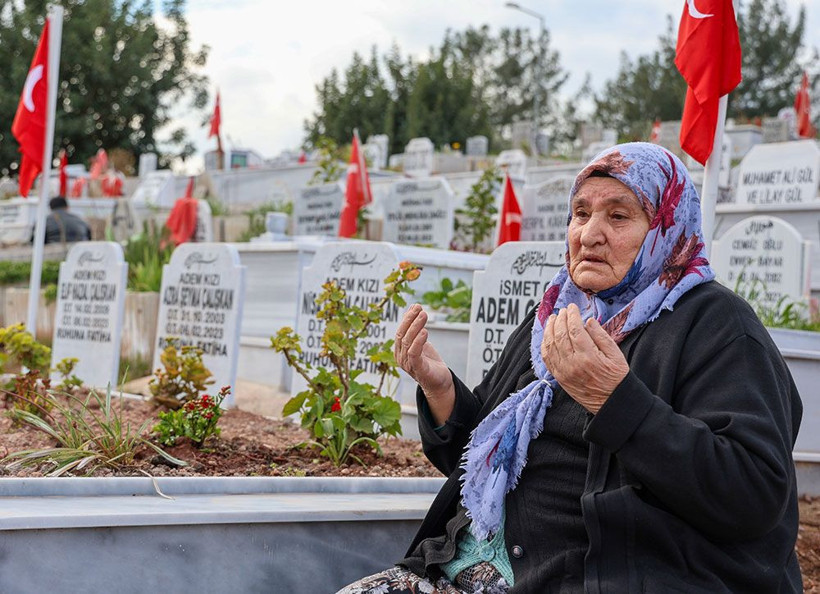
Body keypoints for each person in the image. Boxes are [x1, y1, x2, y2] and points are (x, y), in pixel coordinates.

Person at [338, 142, 803, 593]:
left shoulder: (717, 324)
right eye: (581, 213)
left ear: (667, 226)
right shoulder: (558, 313)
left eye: (618, 216)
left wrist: (615, 401)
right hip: (460, 565)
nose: (589, 234)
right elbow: (478, 468)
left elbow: (754, 496)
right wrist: (442, 392)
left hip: (590, 577)